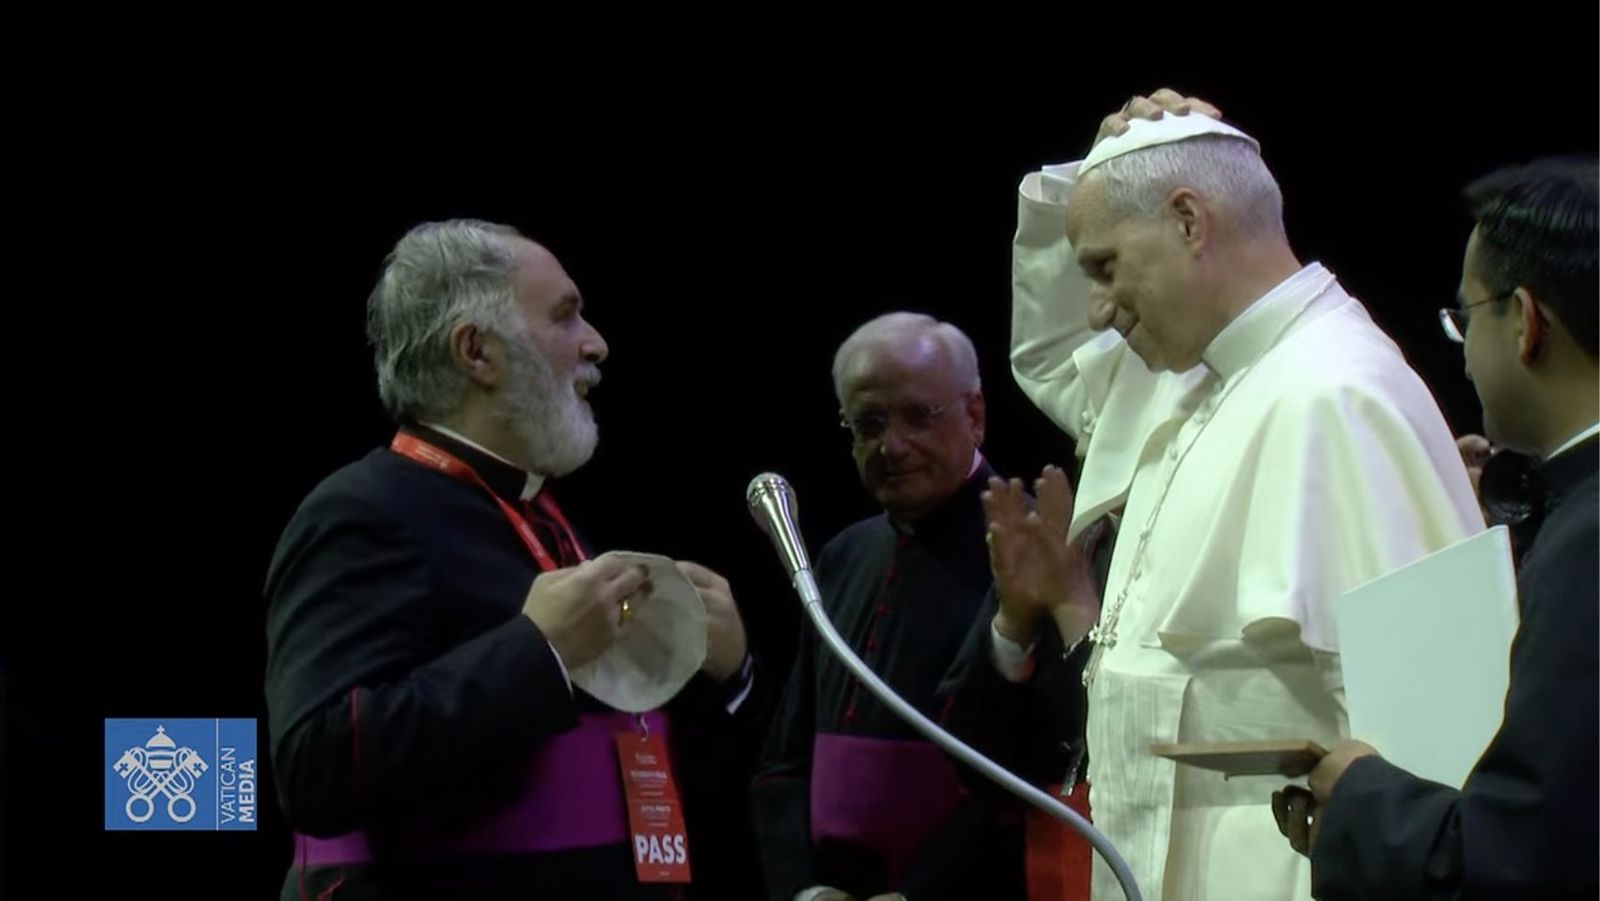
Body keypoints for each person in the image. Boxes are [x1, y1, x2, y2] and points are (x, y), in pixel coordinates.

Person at [993, 90, 1484, 900]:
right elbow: (1047, 356)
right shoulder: (1185, 381)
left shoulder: (1337, 395)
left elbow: (1441, 746)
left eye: (1107, 267)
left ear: (1189, 222)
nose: (1099, 309)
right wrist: (1102, 159)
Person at [264, 219, 757, 900]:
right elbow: (313, 766)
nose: (596, 342)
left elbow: (610, 761)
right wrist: (539, 650)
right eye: (566, 316)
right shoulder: (361, 509)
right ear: (477, 352)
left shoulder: (548, 518)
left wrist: (722, 670)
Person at [1275, 156, 1598, 900]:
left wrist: (1357, 796)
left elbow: (1525, 859)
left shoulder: (1588, 547)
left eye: (1466, 315)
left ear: (1525, 321)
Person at [750, 313, 1028, 901]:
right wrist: (803, 889)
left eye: (918, 417)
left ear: (974, 415)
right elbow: (784, 759)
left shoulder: (1033, 544)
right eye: (868, 423)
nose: (892, 446)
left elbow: (1032, 763)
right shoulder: (844, 554)